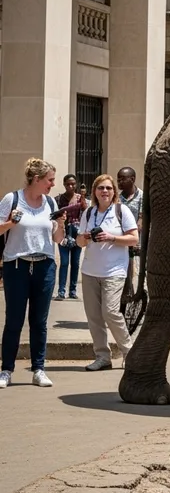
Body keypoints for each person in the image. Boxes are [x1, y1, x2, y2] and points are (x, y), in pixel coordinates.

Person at [0, 158, 66, 388]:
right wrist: (10, 222)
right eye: (50, 180)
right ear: (36, 179)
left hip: (45, 266)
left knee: (39, 321)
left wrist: (62, 224)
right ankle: (6, 370)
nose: (52, 185)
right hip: (16, 266)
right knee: (14, 320)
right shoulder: (13, 199)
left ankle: (39, 369)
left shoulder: (50, 203)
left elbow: (58, 239)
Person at [77, 174, 139, 371]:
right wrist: (86, 238)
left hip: (114, 271)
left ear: (114, 192)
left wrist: (111, 237)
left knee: (111, 312)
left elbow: (134, 239)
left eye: (109, 188)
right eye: (101, 188)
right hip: (90, 271)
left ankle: (129, 352)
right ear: (95, 192)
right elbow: (79, 242)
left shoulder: (122, 211)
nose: (105, 191)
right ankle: (102, 356)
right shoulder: (88, 213)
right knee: (94, 316)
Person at [54, 174, 87, 301]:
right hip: (63, 231)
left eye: (73, 184)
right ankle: (61, 291)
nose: (70, 186)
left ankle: (72, 291)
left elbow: (84, 209)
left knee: (75, 262)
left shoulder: (79, 198)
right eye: (68, 184)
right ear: (64, 184)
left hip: (77, 232)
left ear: (76, 185)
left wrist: (83, 196)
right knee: (64, 262)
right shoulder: (58, 199)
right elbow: (55, 215)